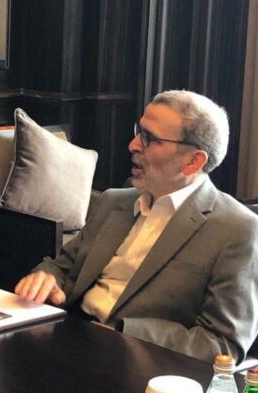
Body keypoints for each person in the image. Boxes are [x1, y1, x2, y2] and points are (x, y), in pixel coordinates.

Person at [15, 90, 258, 363]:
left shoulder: (236, 230)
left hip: (137, 363)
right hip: (66, 336)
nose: (132, 145)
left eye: (149, 139)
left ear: (193, 161)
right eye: (138, 132)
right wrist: (47, 277)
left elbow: (222, 344)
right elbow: (64, 265)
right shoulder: (114, 201)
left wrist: (124, 332)